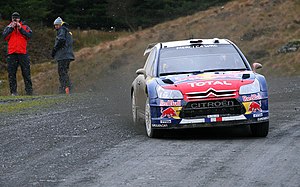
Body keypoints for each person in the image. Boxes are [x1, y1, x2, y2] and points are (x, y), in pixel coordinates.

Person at [2, 12, 33, 96]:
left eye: (17, 18)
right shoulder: (8, 27)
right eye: (13, 18)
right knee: (11, 74)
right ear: (11, 19)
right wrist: (11, 28)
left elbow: (29, 36)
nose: (15, 20)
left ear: (20, 19)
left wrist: (20, 29)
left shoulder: (25, 27)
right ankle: (13, 92)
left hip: (23, 53)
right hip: (12, 54)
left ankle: (29, 92)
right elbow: (4, 36)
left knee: (26, 73)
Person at [52, 17, 75, 94]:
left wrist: (55, 49)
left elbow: (61, 40)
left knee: (62, 72)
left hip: (63, 55)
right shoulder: (67, 31)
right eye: (55, 25)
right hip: (68, 55)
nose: (56, 27)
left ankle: (65, 88)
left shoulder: (62, 30)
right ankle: (66, 88)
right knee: (64, 71)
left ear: (61, 24)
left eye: (57, 25)